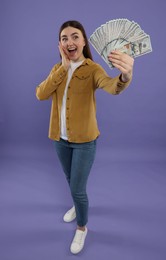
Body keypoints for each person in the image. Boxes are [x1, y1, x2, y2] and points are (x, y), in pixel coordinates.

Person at [36, 20, 134, 254]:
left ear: (83, 41)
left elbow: (111, 86)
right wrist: (63, 66)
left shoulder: (93, 69)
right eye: (64, 38)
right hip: (59, 139)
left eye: (75, 36)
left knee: (78, 189)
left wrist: (125, 76)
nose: (69, 41)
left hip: (84, 141)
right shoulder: (56, 69)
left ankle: (82, 227)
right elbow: (41, 94)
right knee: (70, 179)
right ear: (60, 44)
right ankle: (77, 206)